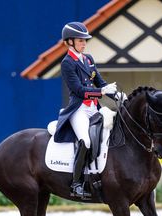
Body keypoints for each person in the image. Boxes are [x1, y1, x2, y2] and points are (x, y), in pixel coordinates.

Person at [53, 21, 124, 199]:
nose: (84, 43)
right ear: (69, 42)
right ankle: (76, 183)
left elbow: (100, 82)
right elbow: (78, 90)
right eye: (80, 41)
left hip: (94, 108)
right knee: (85, 141)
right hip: (79, 109)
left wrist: (118, 96)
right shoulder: (67, 63)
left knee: (111, 134)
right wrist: (101, 92)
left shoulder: (88, 59)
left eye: (85, 40)